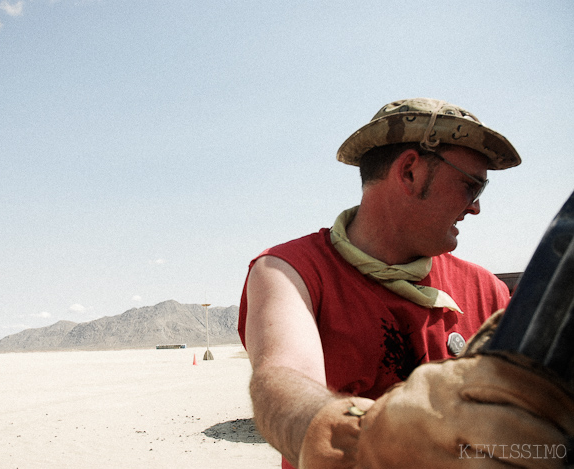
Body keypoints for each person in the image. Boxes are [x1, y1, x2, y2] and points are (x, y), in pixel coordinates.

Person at [237, 98, 574, 468]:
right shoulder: (289, 271)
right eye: (471, 186)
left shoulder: (486, 290)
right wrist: (359, 439)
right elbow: (280, 384)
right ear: (410, 171)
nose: (476, 207)